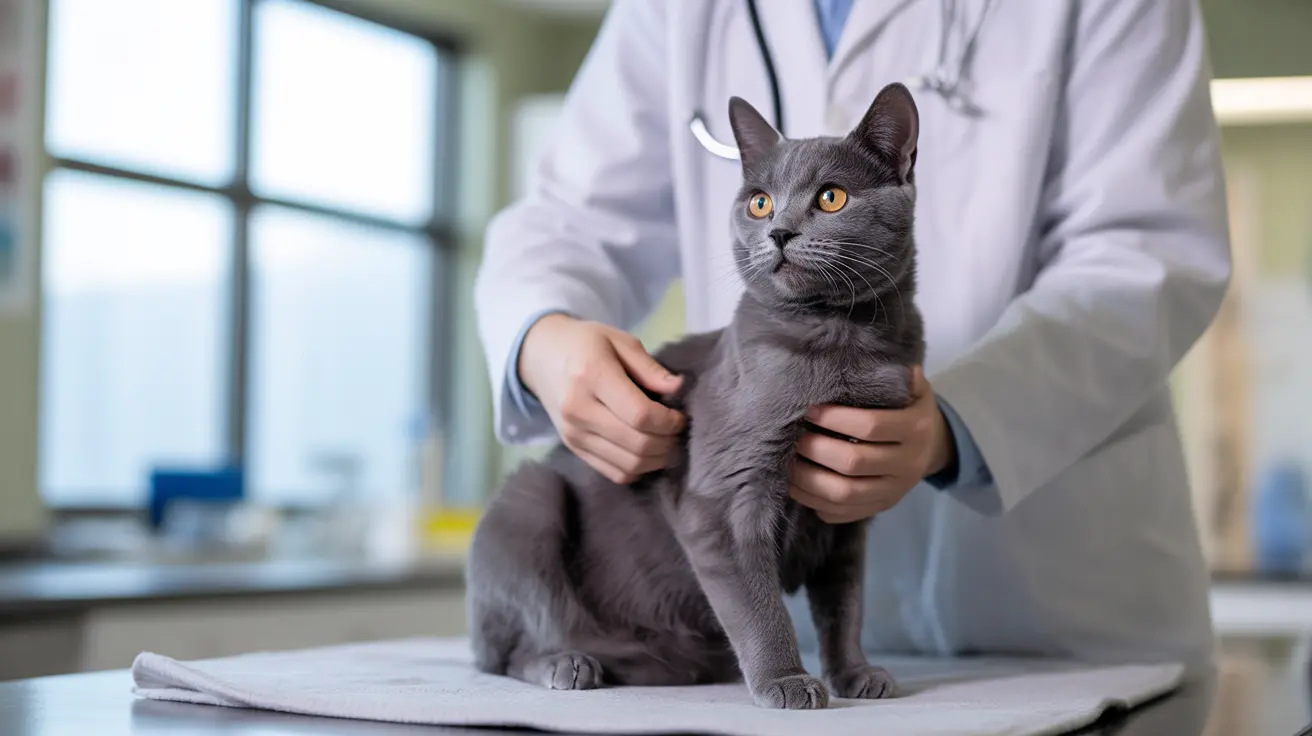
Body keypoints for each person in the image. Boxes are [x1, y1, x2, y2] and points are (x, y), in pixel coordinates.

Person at [475, 0, 1231, 675]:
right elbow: (568, 218)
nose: (783, 225)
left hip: (1050, 602)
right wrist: (543, 334)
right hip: (741, 641)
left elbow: (1145, 252)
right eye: (765, 204)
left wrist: (960, 425)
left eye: (826, 199)